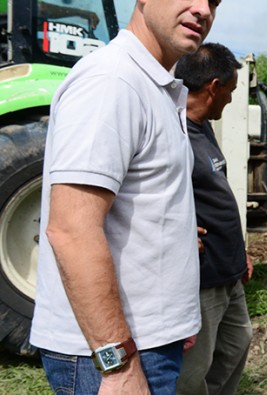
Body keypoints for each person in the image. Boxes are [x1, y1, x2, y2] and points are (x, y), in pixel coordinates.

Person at [31, 1, 219, 394]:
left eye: (214, 1)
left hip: (148, 342)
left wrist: (173, 320)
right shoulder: (112, 81)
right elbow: (71, 230)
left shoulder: (156, 86)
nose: (203, 9)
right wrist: (117, 365)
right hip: (110, 358)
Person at [173, 43, 253, 395]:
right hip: (202, 277)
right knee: (194, 371)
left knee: (238, 343)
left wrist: (240, 254)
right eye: (231, 91)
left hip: (229, 270)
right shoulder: (170, 132)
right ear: (213, 87)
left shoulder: (202, 126)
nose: (232, 100)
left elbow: (214, 192)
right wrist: (178, 226)